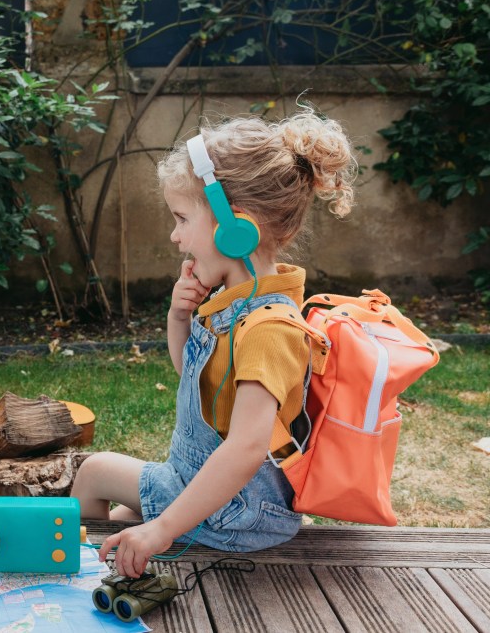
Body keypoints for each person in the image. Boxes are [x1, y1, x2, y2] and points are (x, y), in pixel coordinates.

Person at [71, 110, 356, 578]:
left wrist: (161, 530)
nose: (175, 235)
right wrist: (179, 317)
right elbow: (196, 381)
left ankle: (78, 576)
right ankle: (117, 552)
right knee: (125, 519)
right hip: (229, 503)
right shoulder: (236, 305)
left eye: (183, 218)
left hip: (237, 514)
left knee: (95, 471)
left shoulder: (268, 329)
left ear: (235, 227)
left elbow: (246, 448)